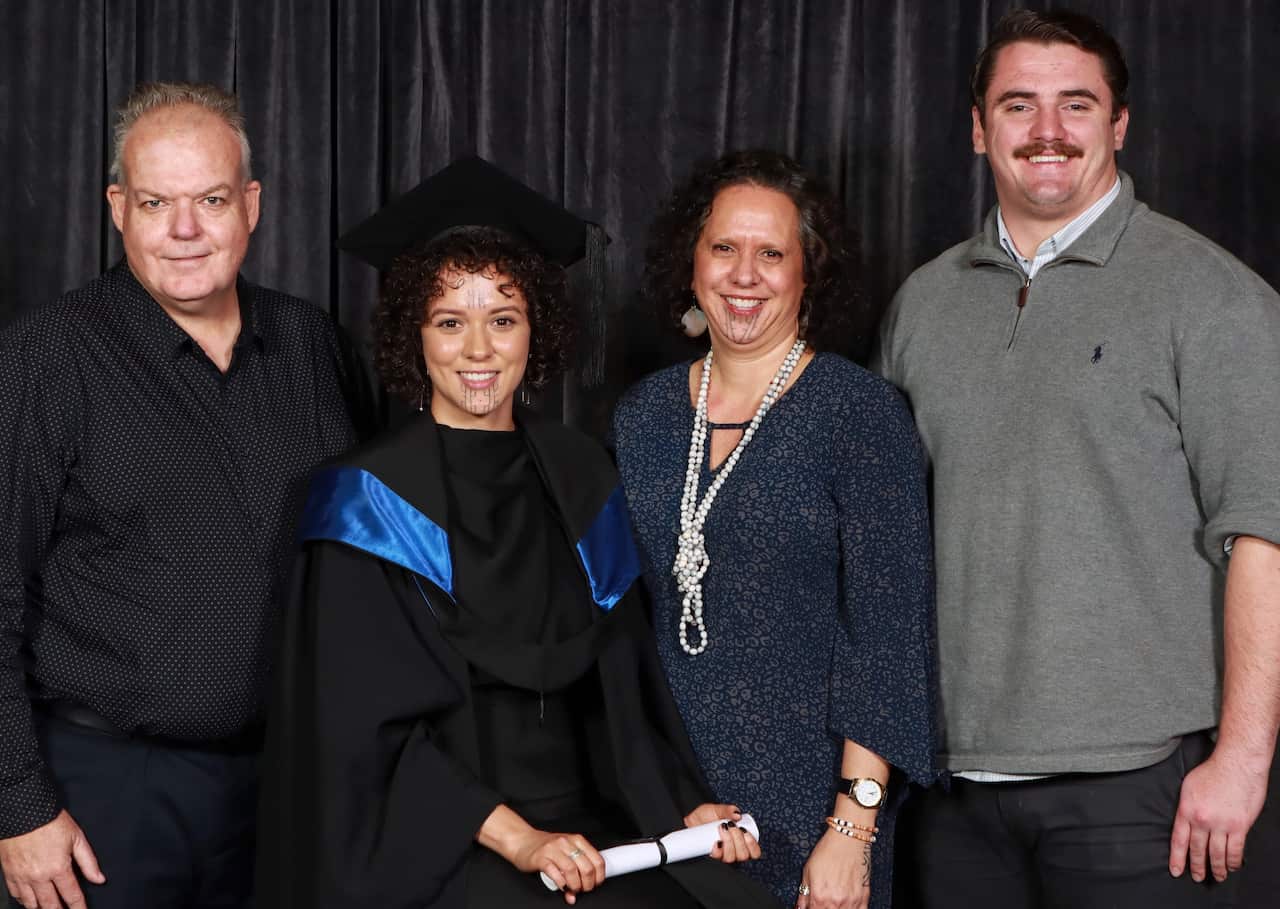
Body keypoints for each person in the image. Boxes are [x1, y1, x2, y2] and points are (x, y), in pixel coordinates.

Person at [255, 155, 778, 909]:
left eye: (503, 319)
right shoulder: (363, 502)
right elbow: (359, 736)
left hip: (592, 827)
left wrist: (682, 806)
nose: (477, 350)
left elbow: (625, 687)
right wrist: (519, 838)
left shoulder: (580, 475)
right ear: (413, 333)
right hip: (444, 840)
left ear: (538, 329)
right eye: (449, 321)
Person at [873, 9, 1280, 908]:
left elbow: (1266, 538)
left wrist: (1242, 761)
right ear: (979, 128)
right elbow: (883, 542)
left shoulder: (1213, 297)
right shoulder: (923, 304)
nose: (1047, 131)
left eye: (1077, 105)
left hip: (1147, 789)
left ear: (1119, 125)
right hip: (953, 787)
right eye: (1019, 105)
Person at [0, 82, 357, 909]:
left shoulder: (310, 343)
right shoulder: (46, 359)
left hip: (284, 787)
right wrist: (18, 804)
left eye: (211, 199)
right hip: (104, 792)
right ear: (118, 207)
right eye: (157, 201)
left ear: (252, 205)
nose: (186, 230)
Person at [613, 149, 938, 909]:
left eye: (771, 253)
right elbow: (622, 625)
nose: (744, 274)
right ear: (691, 262)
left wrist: (853, 827)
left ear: (807, 271)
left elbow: (887, 634)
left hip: (812, 814)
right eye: (723, 247)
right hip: (677, 808)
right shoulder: (644, 416)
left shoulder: (859, 414)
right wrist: (662, 793)